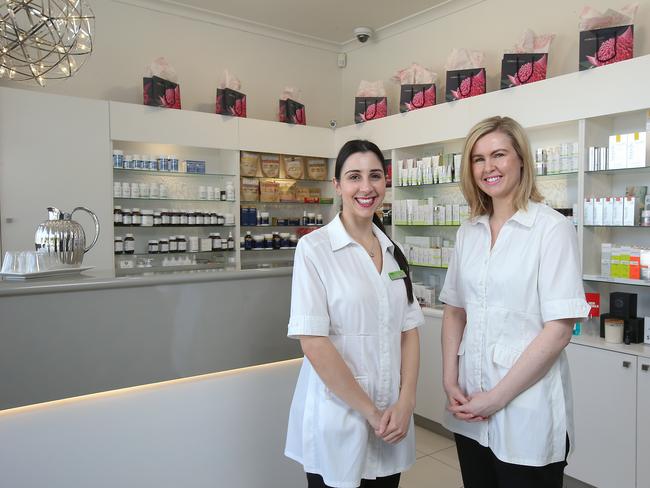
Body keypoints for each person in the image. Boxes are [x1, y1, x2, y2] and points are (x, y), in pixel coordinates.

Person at [439, 116, 590, 488]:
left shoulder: (551, 228)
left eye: (499, 155)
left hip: (527, 409)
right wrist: (449, 379)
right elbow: (455, 310)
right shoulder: (468, 231)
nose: (488, 167)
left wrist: (495, 398)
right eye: (477, 159)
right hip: (470, 403)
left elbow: (558, 331)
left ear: (521, 159)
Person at [284, 140, 423, 488]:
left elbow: (409, 331)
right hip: (340, 416)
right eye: (354, 177)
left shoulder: (394, 252)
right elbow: (314, 343)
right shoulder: (314, 249)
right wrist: (371, 412)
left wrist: (406, 402)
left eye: (375, 176)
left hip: (392, 419)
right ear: (337, 185)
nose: (366, 187)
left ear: (385, 183)